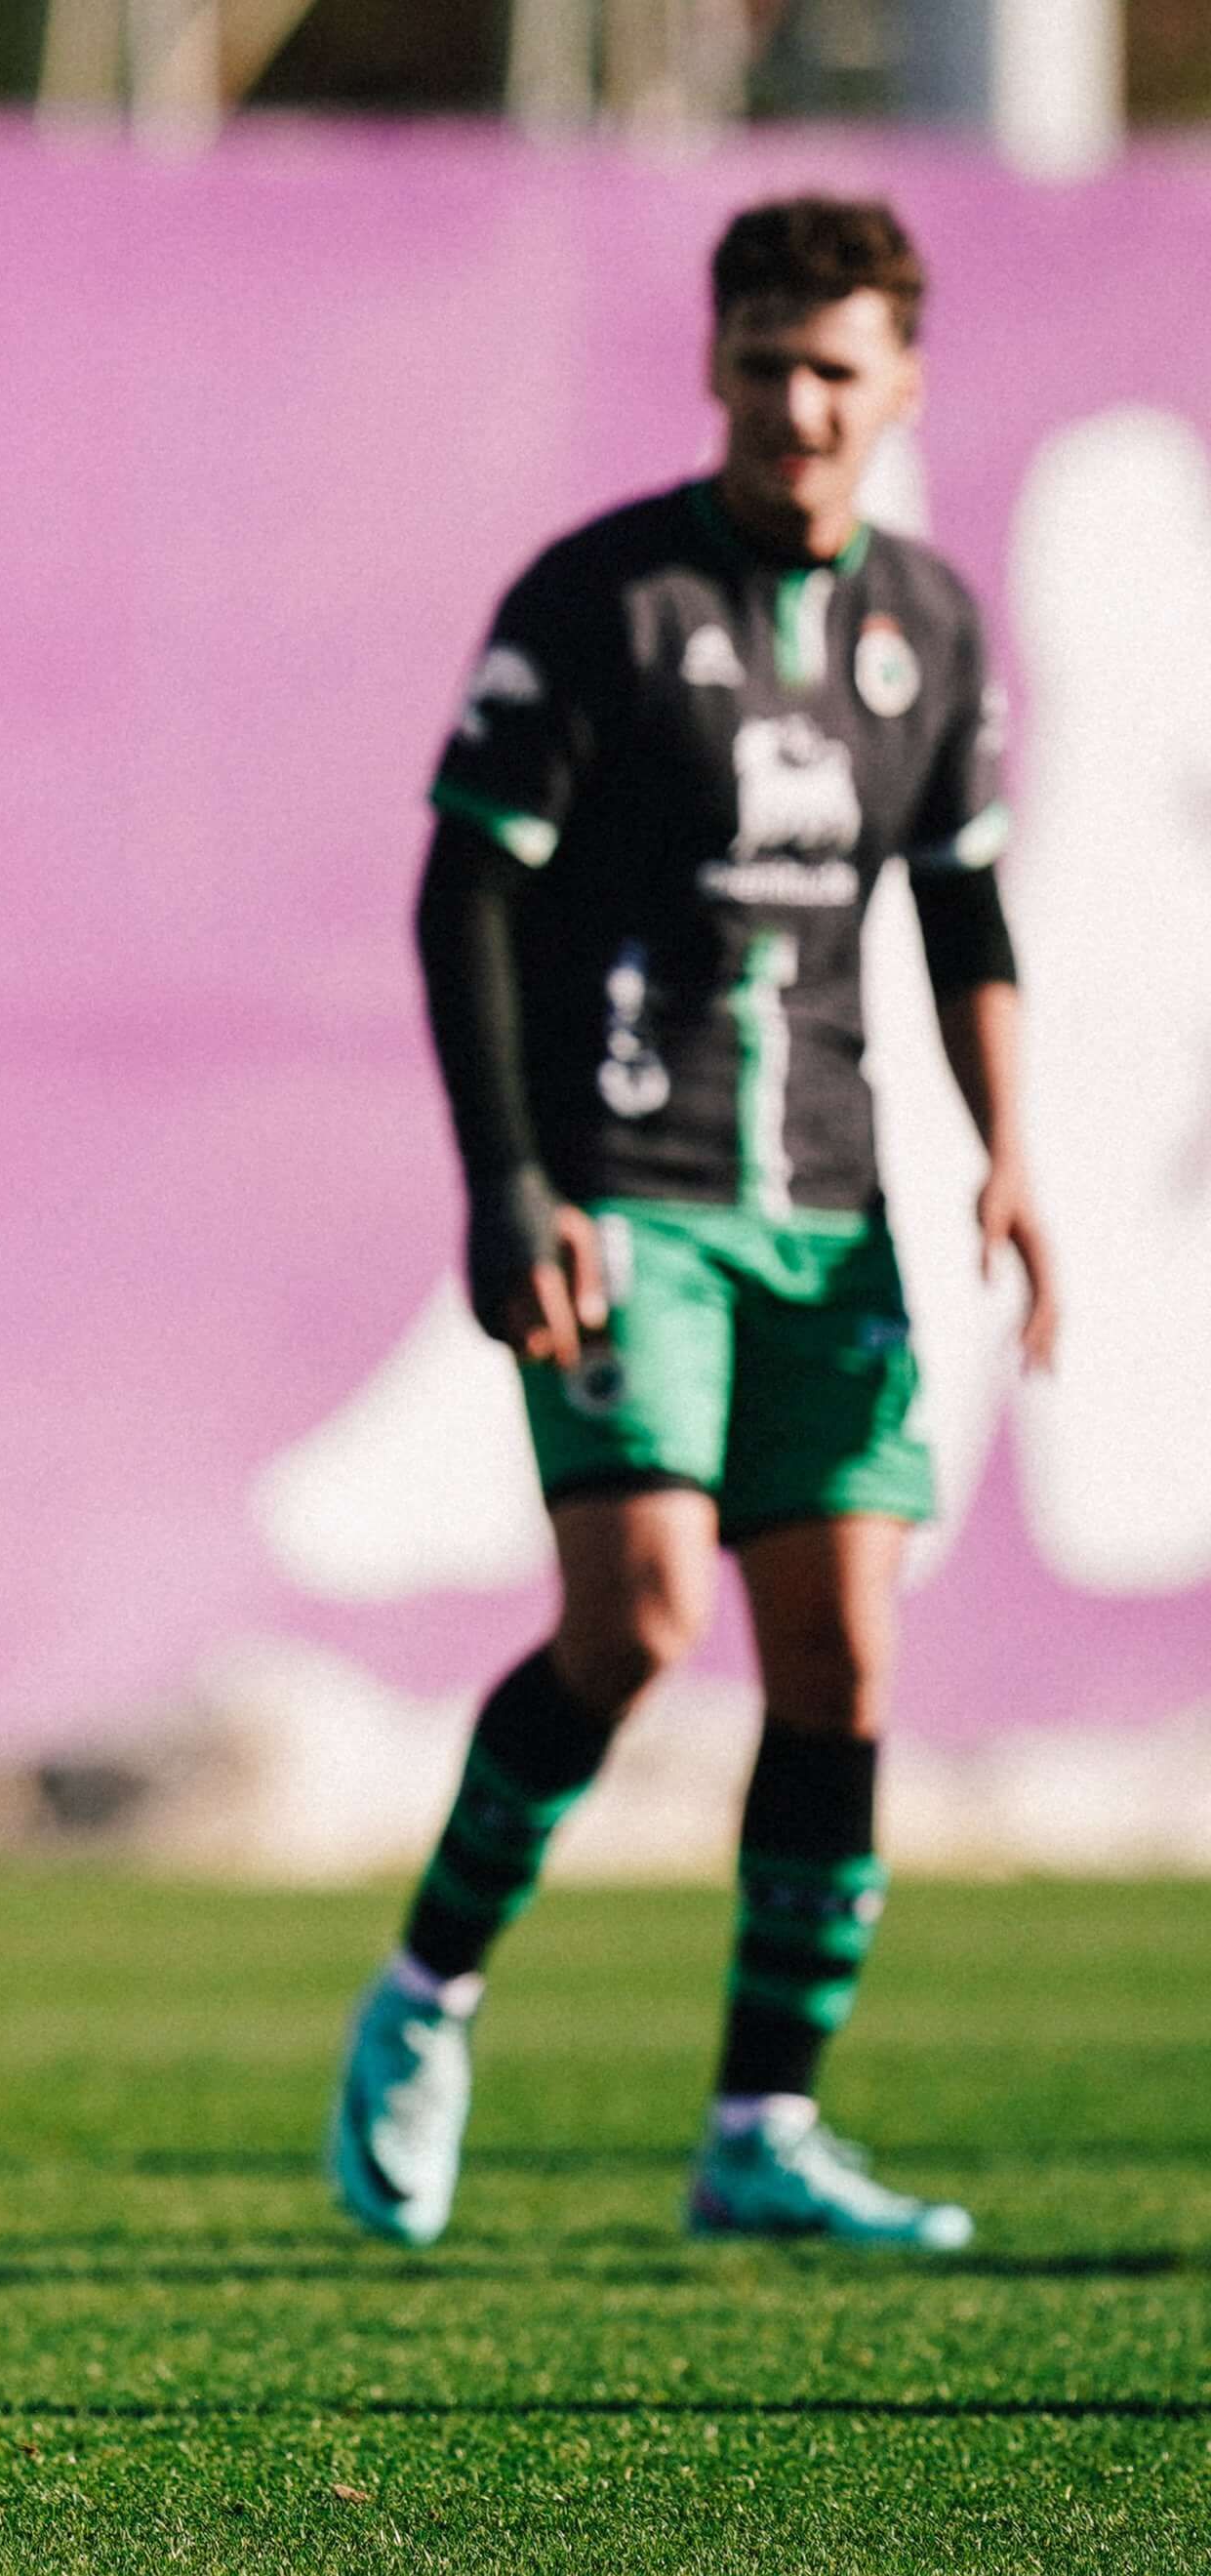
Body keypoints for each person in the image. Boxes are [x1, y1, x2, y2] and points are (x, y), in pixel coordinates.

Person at [330, 198, 1051, 2253]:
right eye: (761, 365)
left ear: (896, 384)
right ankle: (425, 1994)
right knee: (633, 1618)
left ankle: (758, 2126)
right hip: (626, 1199)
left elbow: (962, 904)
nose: (794, 408)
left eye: (833, 370)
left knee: (837, 1664)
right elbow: (460, 891)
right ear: (714, 371)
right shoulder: (601, 601)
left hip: (829, 1215)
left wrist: (1007, 1155)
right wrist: (507, 1183)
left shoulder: (928, 620)